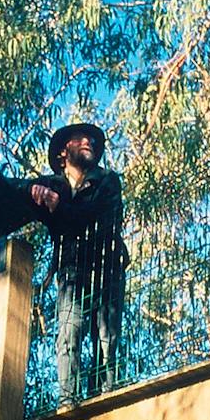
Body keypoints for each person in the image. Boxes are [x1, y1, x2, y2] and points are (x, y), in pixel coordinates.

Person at [27, 121, 126, 401]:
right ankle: (67, 401)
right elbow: (16, 191)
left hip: (107, 269)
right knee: (68, 333)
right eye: (80, 138)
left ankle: (105, 398)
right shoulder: (53, 184)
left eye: (92, 140)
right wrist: (31, 191)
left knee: (106, 339)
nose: (88, 142)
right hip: (70, 272)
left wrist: (59, 207)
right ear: (62, 152)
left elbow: (93, 218)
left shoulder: (107, 181)